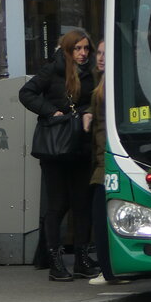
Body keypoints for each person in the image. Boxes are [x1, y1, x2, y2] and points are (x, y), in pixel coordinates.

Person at [19, 30, 100, 281]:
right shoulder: (51, 70)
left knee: (82, 204)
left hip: (80, 145)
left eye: (86, 48)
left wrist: (87, 111)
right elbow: (26, 93)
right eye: (77, 49)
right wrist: (51, 112)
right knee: (57, 205)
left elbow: (94, 100)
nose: (83, 53)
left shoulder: (92, 73)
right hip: (54, 146)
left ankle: (82, 259)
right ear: (67, 50)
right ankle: (55, 261)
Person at [83, 40, 128, 286]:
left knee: (101, 214)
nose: (100, 58)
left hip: (106, 159)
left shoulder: (111, 85)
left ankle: (109, 270)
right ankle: (110, 269)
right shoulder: (101, 83)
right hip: (102, 157)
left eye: (105, 54)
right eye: (98, 53)